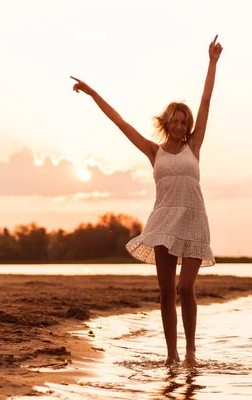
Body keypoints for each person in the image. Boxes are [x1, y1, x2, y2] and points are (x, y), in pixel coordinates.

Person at [71, 35, 223, 366]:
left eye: (185, 122)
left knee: (186, 289)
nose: (180, 125)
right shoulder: (153, 151)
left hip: (194, 220)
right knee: (167, 293)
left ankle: (192, 353)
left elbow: (207, 101)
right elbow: (120, 122)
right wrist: (93, 93)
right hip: (163, 222)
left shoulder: (193, 147)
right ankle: (172, 356)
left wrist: (212, 62)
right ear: (166, 122)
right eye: (176, 120)